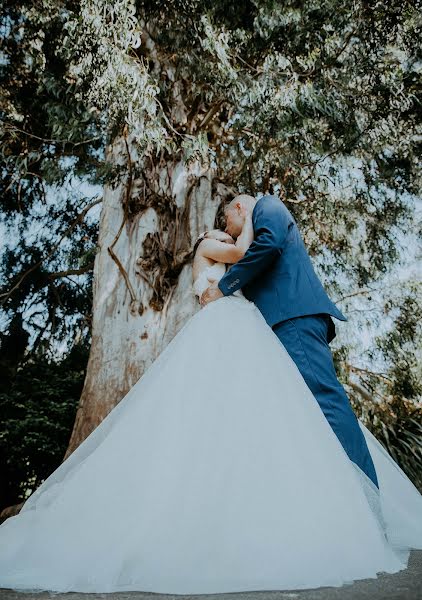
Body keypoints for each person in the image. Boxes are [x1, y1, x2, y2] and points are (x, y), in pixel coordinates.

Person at [0, 206, 421, 594]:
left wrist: (250, 210)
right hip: (224, 329)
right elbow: (245, 251)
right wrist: (248, 218)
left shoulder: (249, 223)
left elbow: (250, 258)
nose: (228, 228)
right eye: (224, 224)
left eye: (229, 221)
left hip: (247, 329)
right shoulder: (210, 243)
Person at [201, 194, 379, 488]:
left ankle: (364, 493)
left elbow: (268, 244)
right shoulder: (247, 233)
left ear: (239, 208)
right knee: (300, 411)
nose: (228, 231)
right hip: (281, 325)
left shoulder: (267, 205)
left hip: (292, 317)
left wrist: (224, 287)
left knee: (324, 401)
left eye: (227, 222)